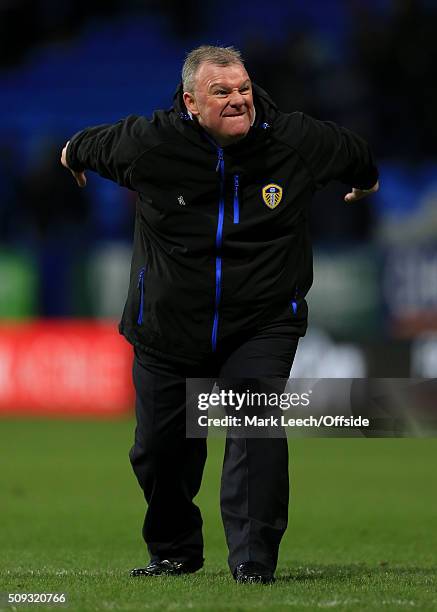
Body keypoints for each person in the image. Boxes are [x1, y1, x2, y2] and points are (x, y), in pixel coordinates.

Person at [61, 45, 379, 584]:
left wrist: (365, 180)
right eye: (222, 92)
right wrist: (71, 158)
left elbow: (355, 154)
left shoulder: (295, 139)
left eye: (244, 90)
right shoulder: (149, 144)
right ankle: (174, 551)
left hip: (261, 320)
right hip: (166, 323)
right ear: (190, 102)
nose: (239, 101)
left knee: (254, 428)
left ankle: (253, 560)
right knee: (160, 452)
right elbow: (83, 146)